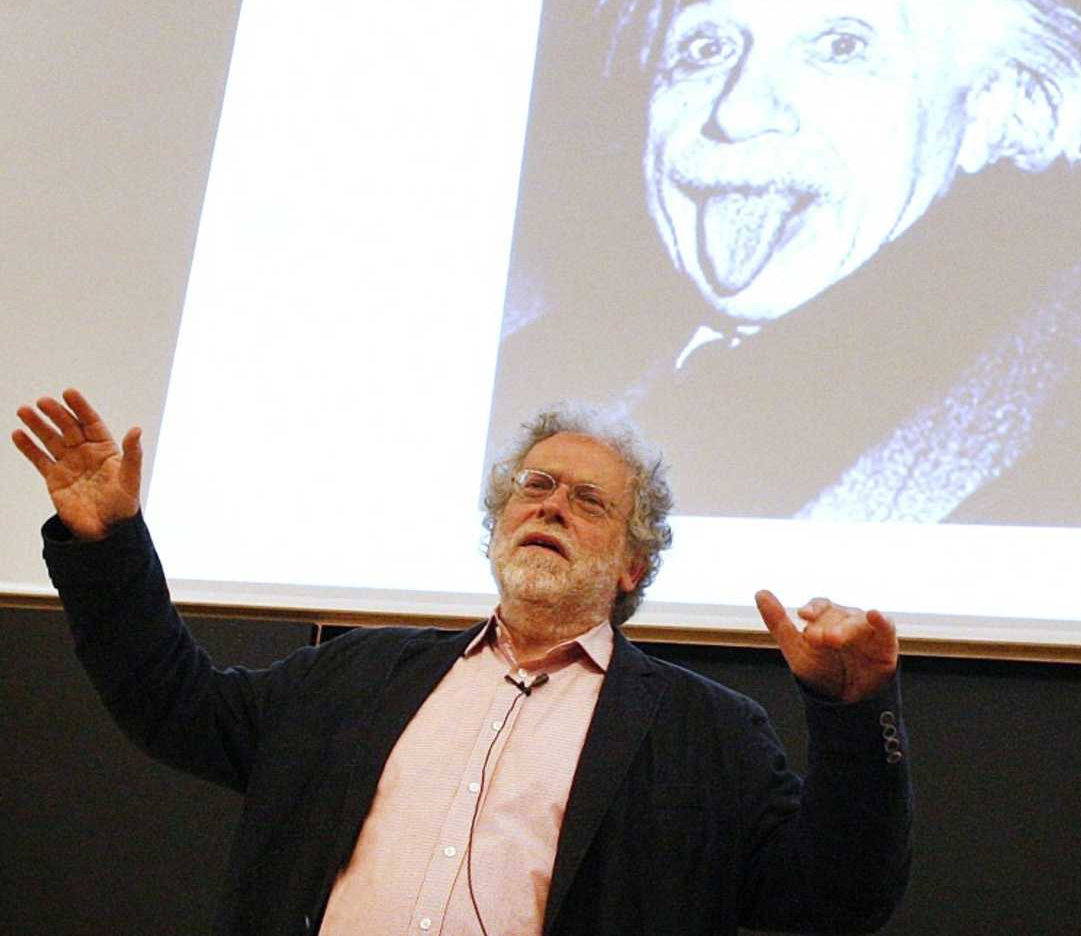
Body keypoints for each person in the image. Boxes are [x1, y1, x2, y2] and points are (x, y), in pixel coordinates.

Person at [14, 388, 911, 936]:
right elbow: (175, 705)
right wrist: (108, 546)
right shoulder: (355, 676)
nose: (552, 505)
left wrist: (853, 711)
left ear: (633, 564)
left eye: (589, 501)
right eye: (535, 486)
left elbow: (836, 896)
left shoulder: (705, 732)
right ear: (499, 524)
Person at [486, 0, 1081, 523]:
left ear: (1000, 106)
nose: (737, 109)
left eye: (841, 43)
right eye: (706, 44)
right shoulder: (528, 345)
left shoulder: (1065, 412)